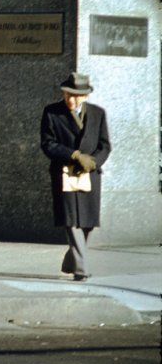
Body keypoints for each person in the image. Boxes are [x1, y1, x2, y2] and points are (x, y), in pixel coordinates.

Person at [40, 73, 111, 282]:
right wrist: (74, 155)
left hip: (90, 174)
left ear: (85, 97)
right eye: (67, 94)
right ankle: (81, 268)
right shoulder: (52, 113)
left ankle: (71, 261)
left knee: (87, 223)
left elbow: (105, 145)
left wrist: (94, 161)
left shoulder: (98, 114)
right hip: (65, 173)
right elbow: (47, 144)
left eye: (76, 96)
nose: (70, 100)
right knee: (71, 221)